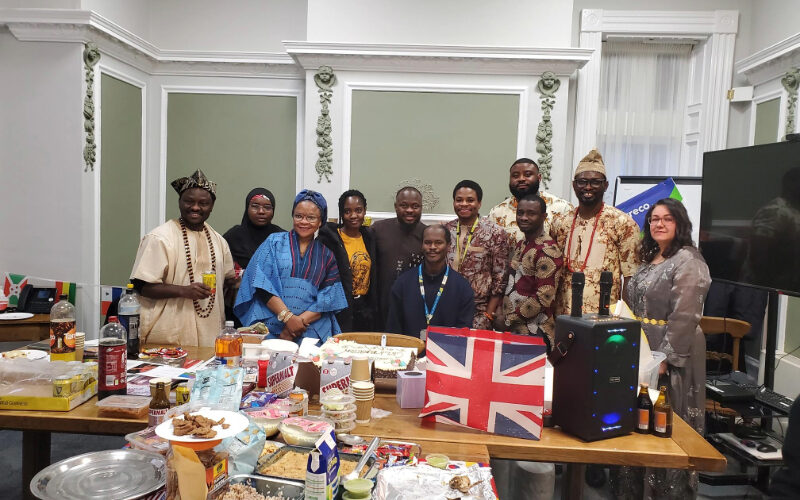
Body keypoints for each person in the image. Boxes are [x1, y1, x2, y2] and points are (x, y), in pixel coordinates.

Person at [611, 198, 711, 499]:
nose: (659, 224)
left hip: (671, 352)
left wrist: (664, 358)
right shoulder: (652, 256)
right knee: (639, 415)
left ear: (679, 223)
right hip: (641, 347)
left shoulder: (689, 260)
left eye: (667, 219)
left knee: (664, 418)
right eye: (654, 219)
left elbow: (686, 315)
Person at [130, 170, 236, 346]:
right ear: (180, 202)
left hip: (210, 336)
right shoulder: (160, 238)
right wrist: (183, 291)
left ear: (211, 206)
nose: (195, 207)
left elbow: (227, 282)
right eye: (189, 201)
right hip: (168, 335)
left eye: (203, 203)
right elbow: (141, 286)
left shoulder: (219, 241)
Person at [234, 190, 347, 343]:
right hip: (272, 323)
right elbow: (261, 284)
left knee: (309, 366)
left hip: (311, 329)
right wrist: (287, 318)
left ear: (321, 221)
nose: (304, 222)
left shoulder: (327, 255)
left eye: (311, 218)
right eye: (298, 216)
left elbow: (328, 298)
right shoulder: (273, 242)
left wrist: (296, 324)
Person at [550, 150, 640, 316]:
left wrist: (625, 318)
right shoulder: (560, 222)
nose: (588, 187)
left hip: (603, 316)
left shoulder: (623, 223)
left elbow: (631, 277)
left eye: (595, 182)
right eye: (582, 182)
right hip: (562, 315)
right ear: (574, 185)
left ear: (605, 185)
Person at [385, 225, 474, 339]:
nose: (432, 247)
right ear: (421, 245)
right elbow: (393, 329)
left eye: (438, 242)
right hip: (409, 353)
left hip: (446, 354)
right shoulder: (403, 283)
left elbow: (463, 333)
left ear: (448, 246)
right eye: (427, 242)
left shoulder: (462, 287)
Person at [502, 194, 564, 349]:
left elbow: (543, 298)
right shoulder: (521, 244)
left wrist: (508, 319)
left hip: (535, 332)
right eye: (520, 213)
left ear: (544, 216)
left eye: (531, 213)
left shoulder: (548, 250)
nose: (524, 217)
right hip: (515, 330)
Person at [444, 180, 508, 329]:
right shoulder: (445, 230)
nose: (464, 204)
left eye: (470, 200)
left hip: (478, 312)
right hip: (446, 306)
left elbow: (500, 278)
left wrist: (488, 315)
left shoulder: (495, 233)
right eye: (459, 200)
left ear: (479, 203)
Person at [318, 190, 378, 332]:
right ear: (341, 213)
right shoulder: (329, 239)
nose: (353, 216)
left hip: (364, 309)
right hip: (340, 308)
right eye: (347, 211)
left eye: (358, 210)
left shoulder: (369, 237)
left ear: (364, 211)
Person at [371, 186, 427, 329]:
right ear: (396, 207)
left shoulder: (427, 235)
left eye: (415, 206)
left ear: (421, 208)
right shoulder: (378, 229)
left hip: (414, 306)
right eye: (404, 205)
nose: (409, 210)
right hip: (380, 306)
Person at [489, 157, 572, 246]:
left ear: (539, 178)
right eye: (515, 176)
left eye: (528, 175)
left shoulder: (562, 208)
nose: (521, 179)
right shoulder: (497, 213)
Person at [223, 188, 284, 270]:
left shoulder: (281, 237)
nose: (261, 211)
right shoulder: (233, 236)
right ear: (247, 208)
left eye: (267, 207)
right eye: (255, 206)